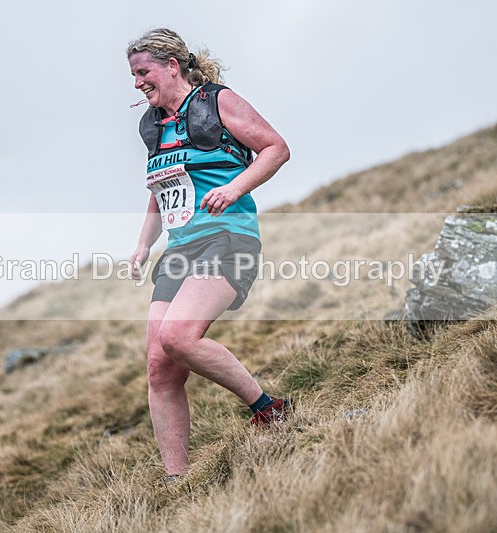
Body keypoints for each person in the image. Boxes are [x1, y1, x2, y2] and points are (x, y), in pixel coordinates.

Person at [126, 28, 291, 479]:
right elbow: (163, 191)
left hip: (229, 237)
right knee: (159, 365)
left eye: (144, 72)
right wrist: (143, 243)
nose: (138, 82)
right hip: (180, 249)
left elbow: (276, 148)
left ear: (172, 66)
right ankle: (176, 479)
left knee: (178, 336)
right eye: (133, 75)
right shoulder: (153, 125)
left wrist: (233, 187)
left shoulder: (217, 101)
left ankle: (268, 408)